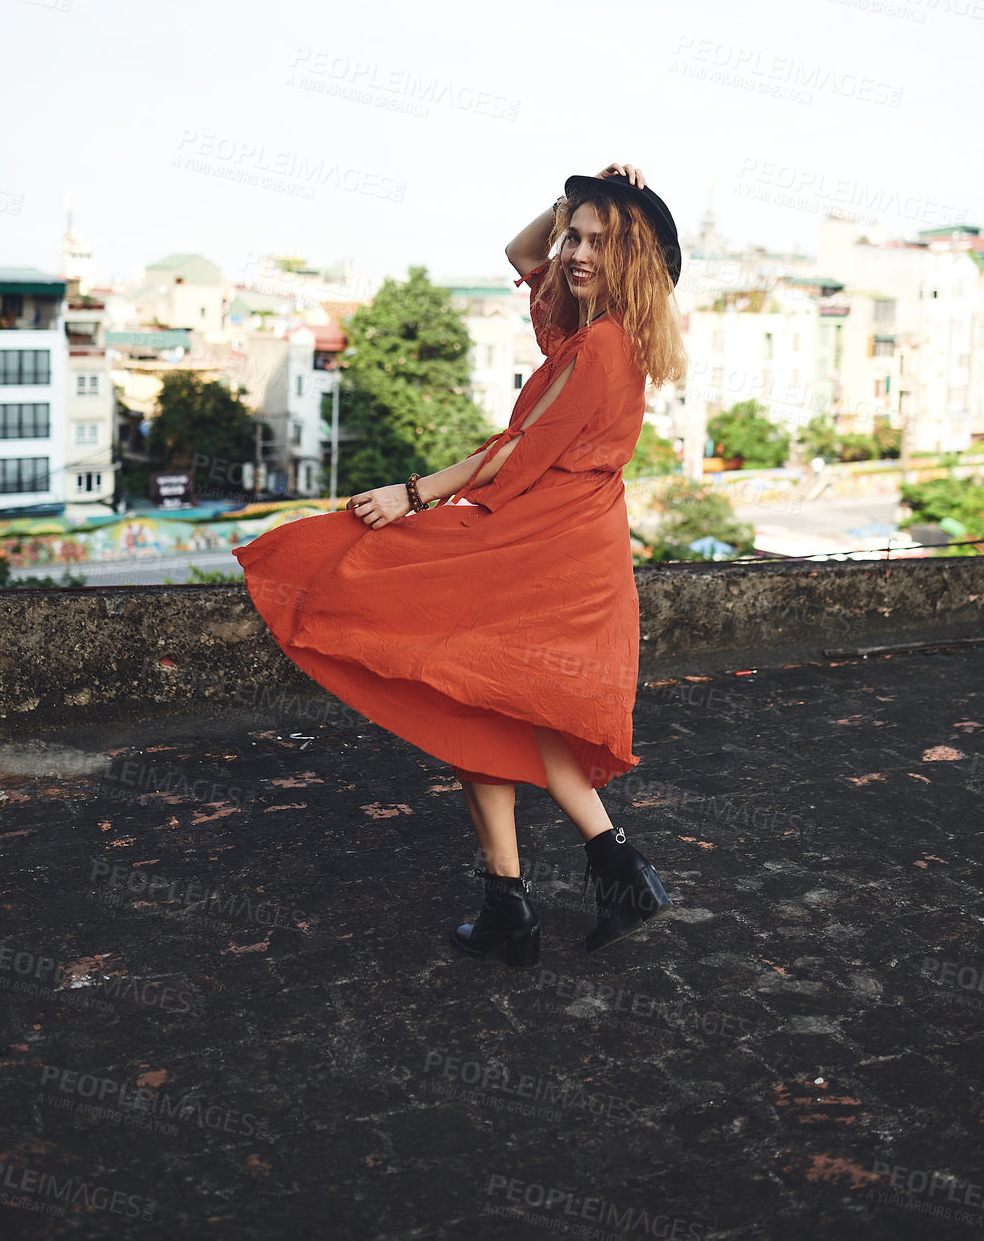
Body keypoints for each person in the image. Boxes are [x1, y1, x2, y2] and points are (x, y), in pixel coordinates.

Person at [233, 162, 688, 964]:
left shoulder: (602, 348)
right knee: (491, 703)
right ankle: (580, 882)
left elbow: (517, 448)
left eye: (594, 242)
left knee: (440, 656)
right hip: (562, 540)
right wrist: (570, 204)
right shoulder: (592, 331)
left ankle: (563, 888)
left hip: (542, 545)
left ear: (632, 259)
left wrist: (413, 494)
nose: (574, 253)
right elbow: (520, 254)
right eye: (573, 237)